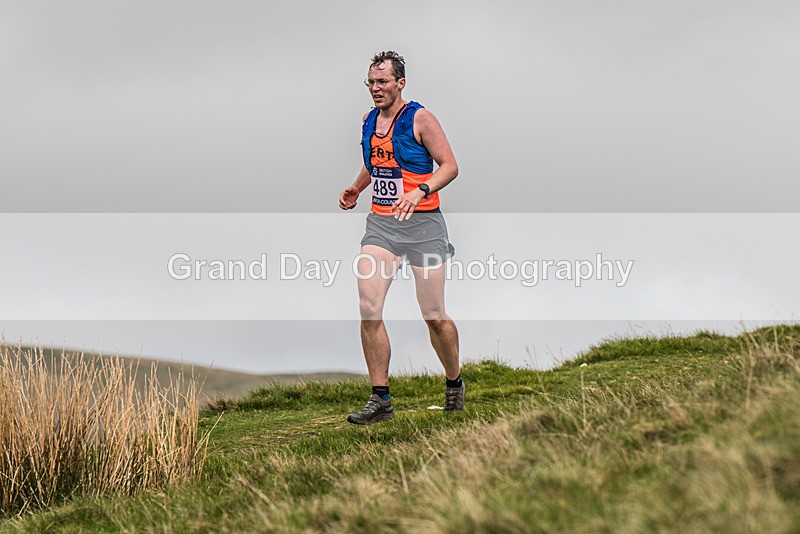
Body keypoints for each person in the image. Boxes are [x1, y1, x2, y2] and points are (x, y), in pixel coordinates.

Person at [338, 51, 463, 425]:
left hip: (424, 226)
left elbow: (450, 166)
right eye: (371, 82)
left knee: (434, 315)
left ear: (400, 83)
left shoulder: (421, 119)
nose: (375, 88)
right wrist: (358, 187)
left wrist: (420, 191)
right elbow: (377, 162)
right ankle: (380, 399)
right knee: (368, 306)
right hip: (382, 225)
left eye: (383, 82)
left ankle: (454, 382)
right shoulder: (368, 120)